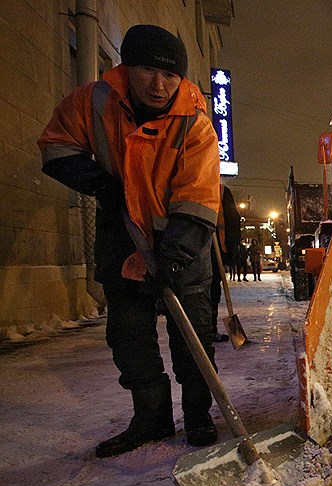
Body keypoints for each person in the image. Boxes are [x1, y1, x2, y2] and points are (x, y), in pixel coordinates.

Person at [38, 24, 221, 457]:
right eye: (146, 70)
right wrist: (99, 182)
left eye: (170, 75)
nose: (159, 85)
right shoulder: (95, 101)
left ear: (181, 78)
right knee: (130, 338)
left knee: (193, 338)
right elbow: (55, 146)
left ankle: (198, 417)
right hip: (121, 238)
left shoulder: (194, 123)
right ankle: (151, 419)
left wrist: (173, 258)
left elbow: (197, 197)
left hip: (183, 245)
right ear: (126, 68)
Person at [211, 184, 241, 342]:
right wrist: (232, 251)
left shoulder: (221, 191)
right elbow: (234, 221)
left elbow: (232, 220)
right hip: (213, 251)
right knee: (211, 291)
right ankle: (209, 330)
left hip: (211, 248)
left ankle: (206, 330)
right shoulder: (221, 190)